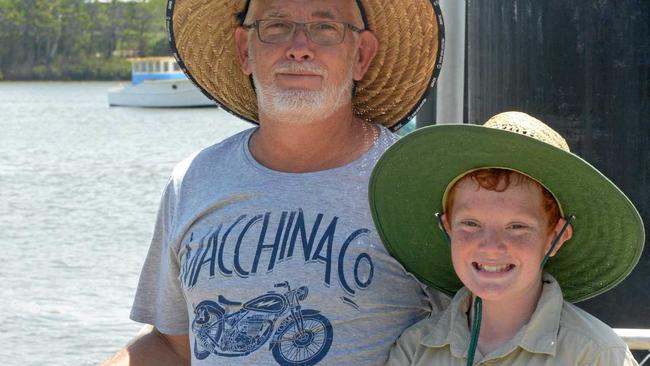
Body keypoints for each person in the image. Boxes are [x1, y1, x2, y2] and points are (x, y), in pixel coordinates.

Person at [103, 0, 446, 365]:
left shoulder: (418, 187)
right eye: (277, 26)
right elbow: (172, 345)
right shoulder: (193, 180)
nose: (299, 48)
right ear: (243, 50)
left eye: (326, 29)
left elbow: (476, 332)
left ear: (361, 55)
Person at [369, 111, 644, 365]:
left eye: (516, 227)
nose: (490, 246)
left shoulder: (596, 355)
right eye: (471, 223)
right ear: (448, 228)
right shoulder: (415, 349)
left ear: (556, 237)